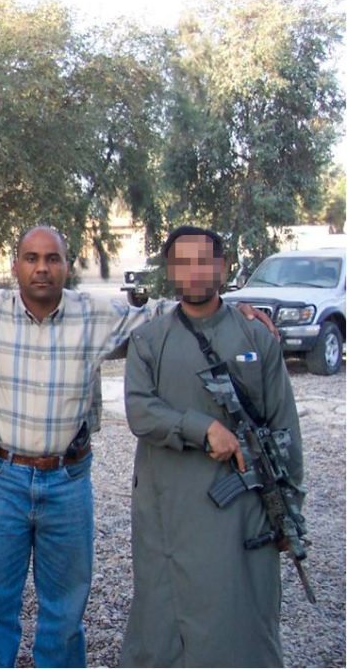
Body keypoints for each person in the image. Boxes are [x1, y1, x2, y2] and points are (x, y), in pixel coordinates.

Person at [0, 225, 166, 667]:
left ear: (66, 264)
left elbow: (164, 314)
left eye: (53, 258)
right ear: (15, 264)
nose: (42, 268)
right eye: (32, 258)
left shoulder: (93, 314)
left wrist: (240, 311)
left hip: (67, 481)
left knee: (65, 606)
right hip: (4, 479)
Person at [120, 226, 303, 667]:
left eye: (204, 260)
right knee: (165, 620)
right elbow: (140, 412)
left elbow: (285, 427)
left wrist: (290, 511)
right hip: (170, 508)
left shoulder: (257, 337)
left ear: (222, 266)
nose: (194, 271)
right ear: (169, 271)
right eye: (182, 262)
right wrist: (202, 429)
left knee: (242, 615)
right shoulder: (149, 340)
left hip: (243, 509)